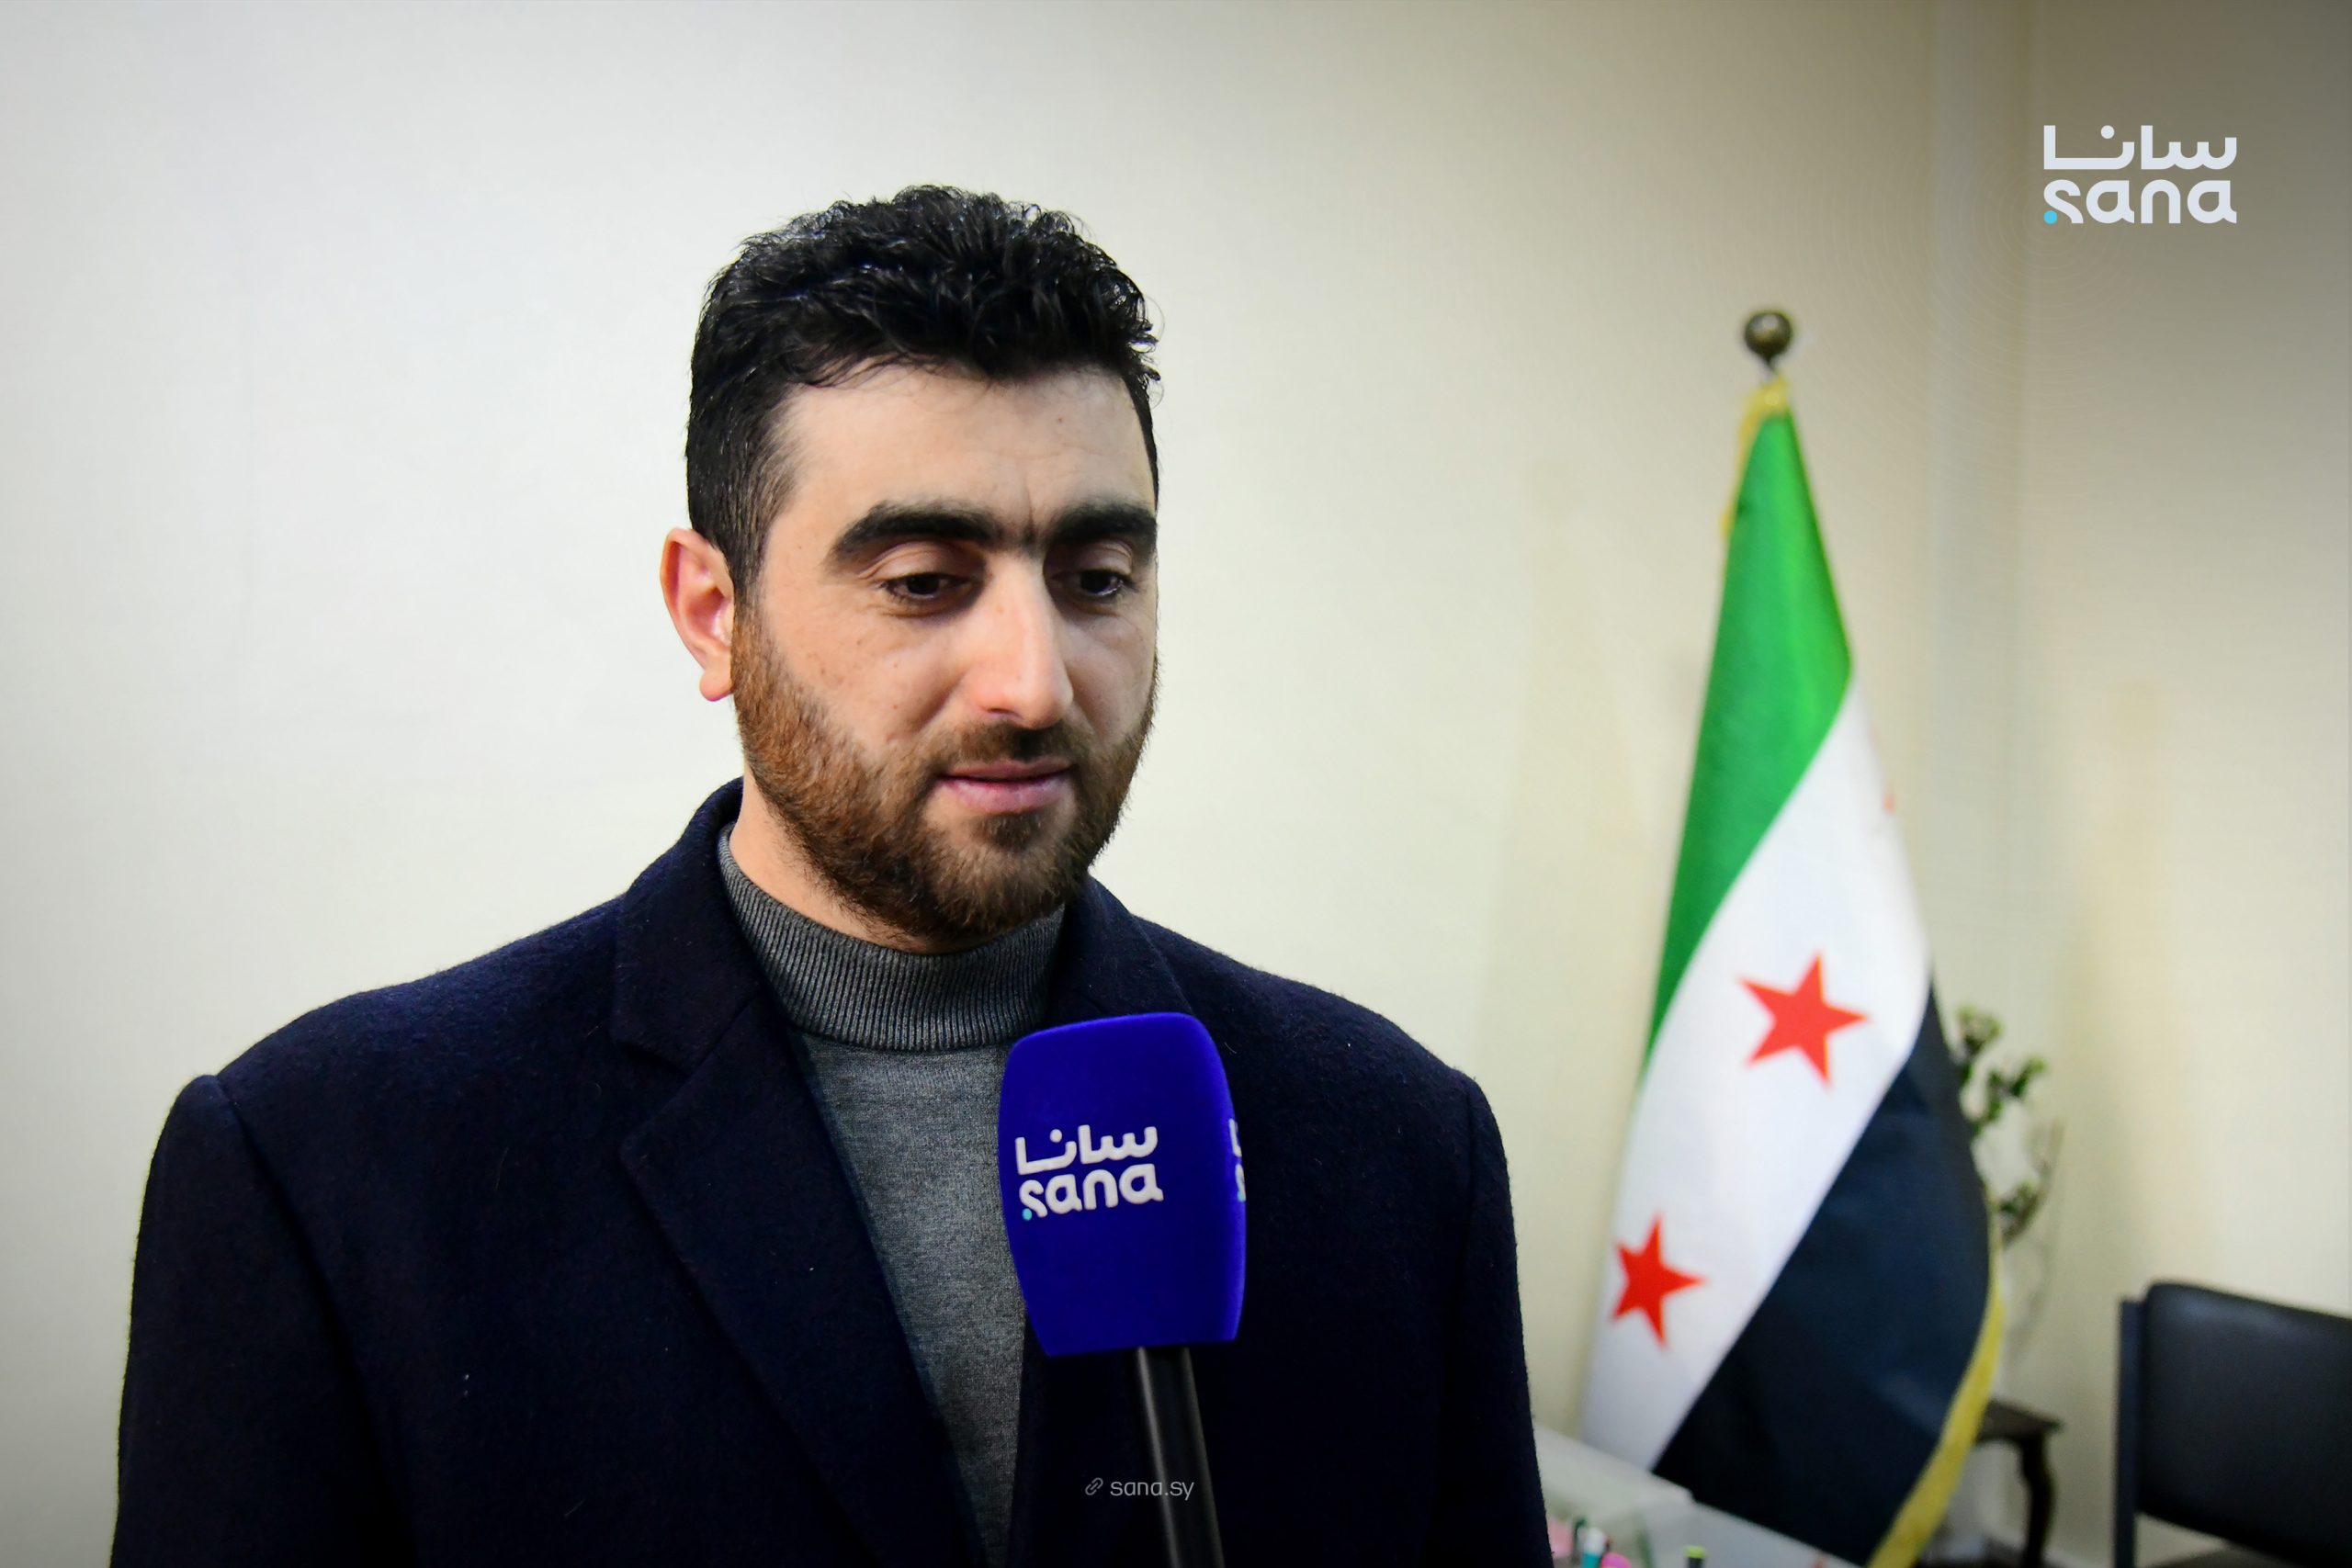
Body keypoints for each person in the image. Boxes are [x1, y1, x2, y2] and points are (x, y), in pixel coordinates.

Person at [111, 186, 1550, 1567]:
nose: (1034, 682)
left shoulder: (1399, 1151)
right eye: (924, 580)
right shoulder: (329, 1172)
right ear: (713, 611)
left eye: (1098, 577)